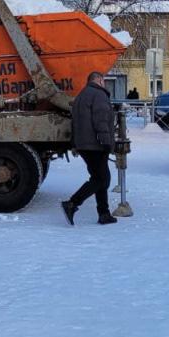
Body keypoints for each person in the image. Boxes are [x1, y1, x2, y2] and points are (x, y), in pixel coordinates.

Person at [62, 71, 119, 226]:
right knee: (101, 179)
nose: (105, 83)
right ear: (98, 80)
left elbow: (75, 122)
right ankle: (72, 203)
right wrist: (106, 142)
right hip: (96, 144)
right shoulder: (99, 95)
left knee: (100, 178)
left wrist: (75, 143)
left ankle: (104, 213)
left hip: (84, 144)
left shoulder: (81, 96)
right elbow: (101, 120)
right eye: (104, 80)